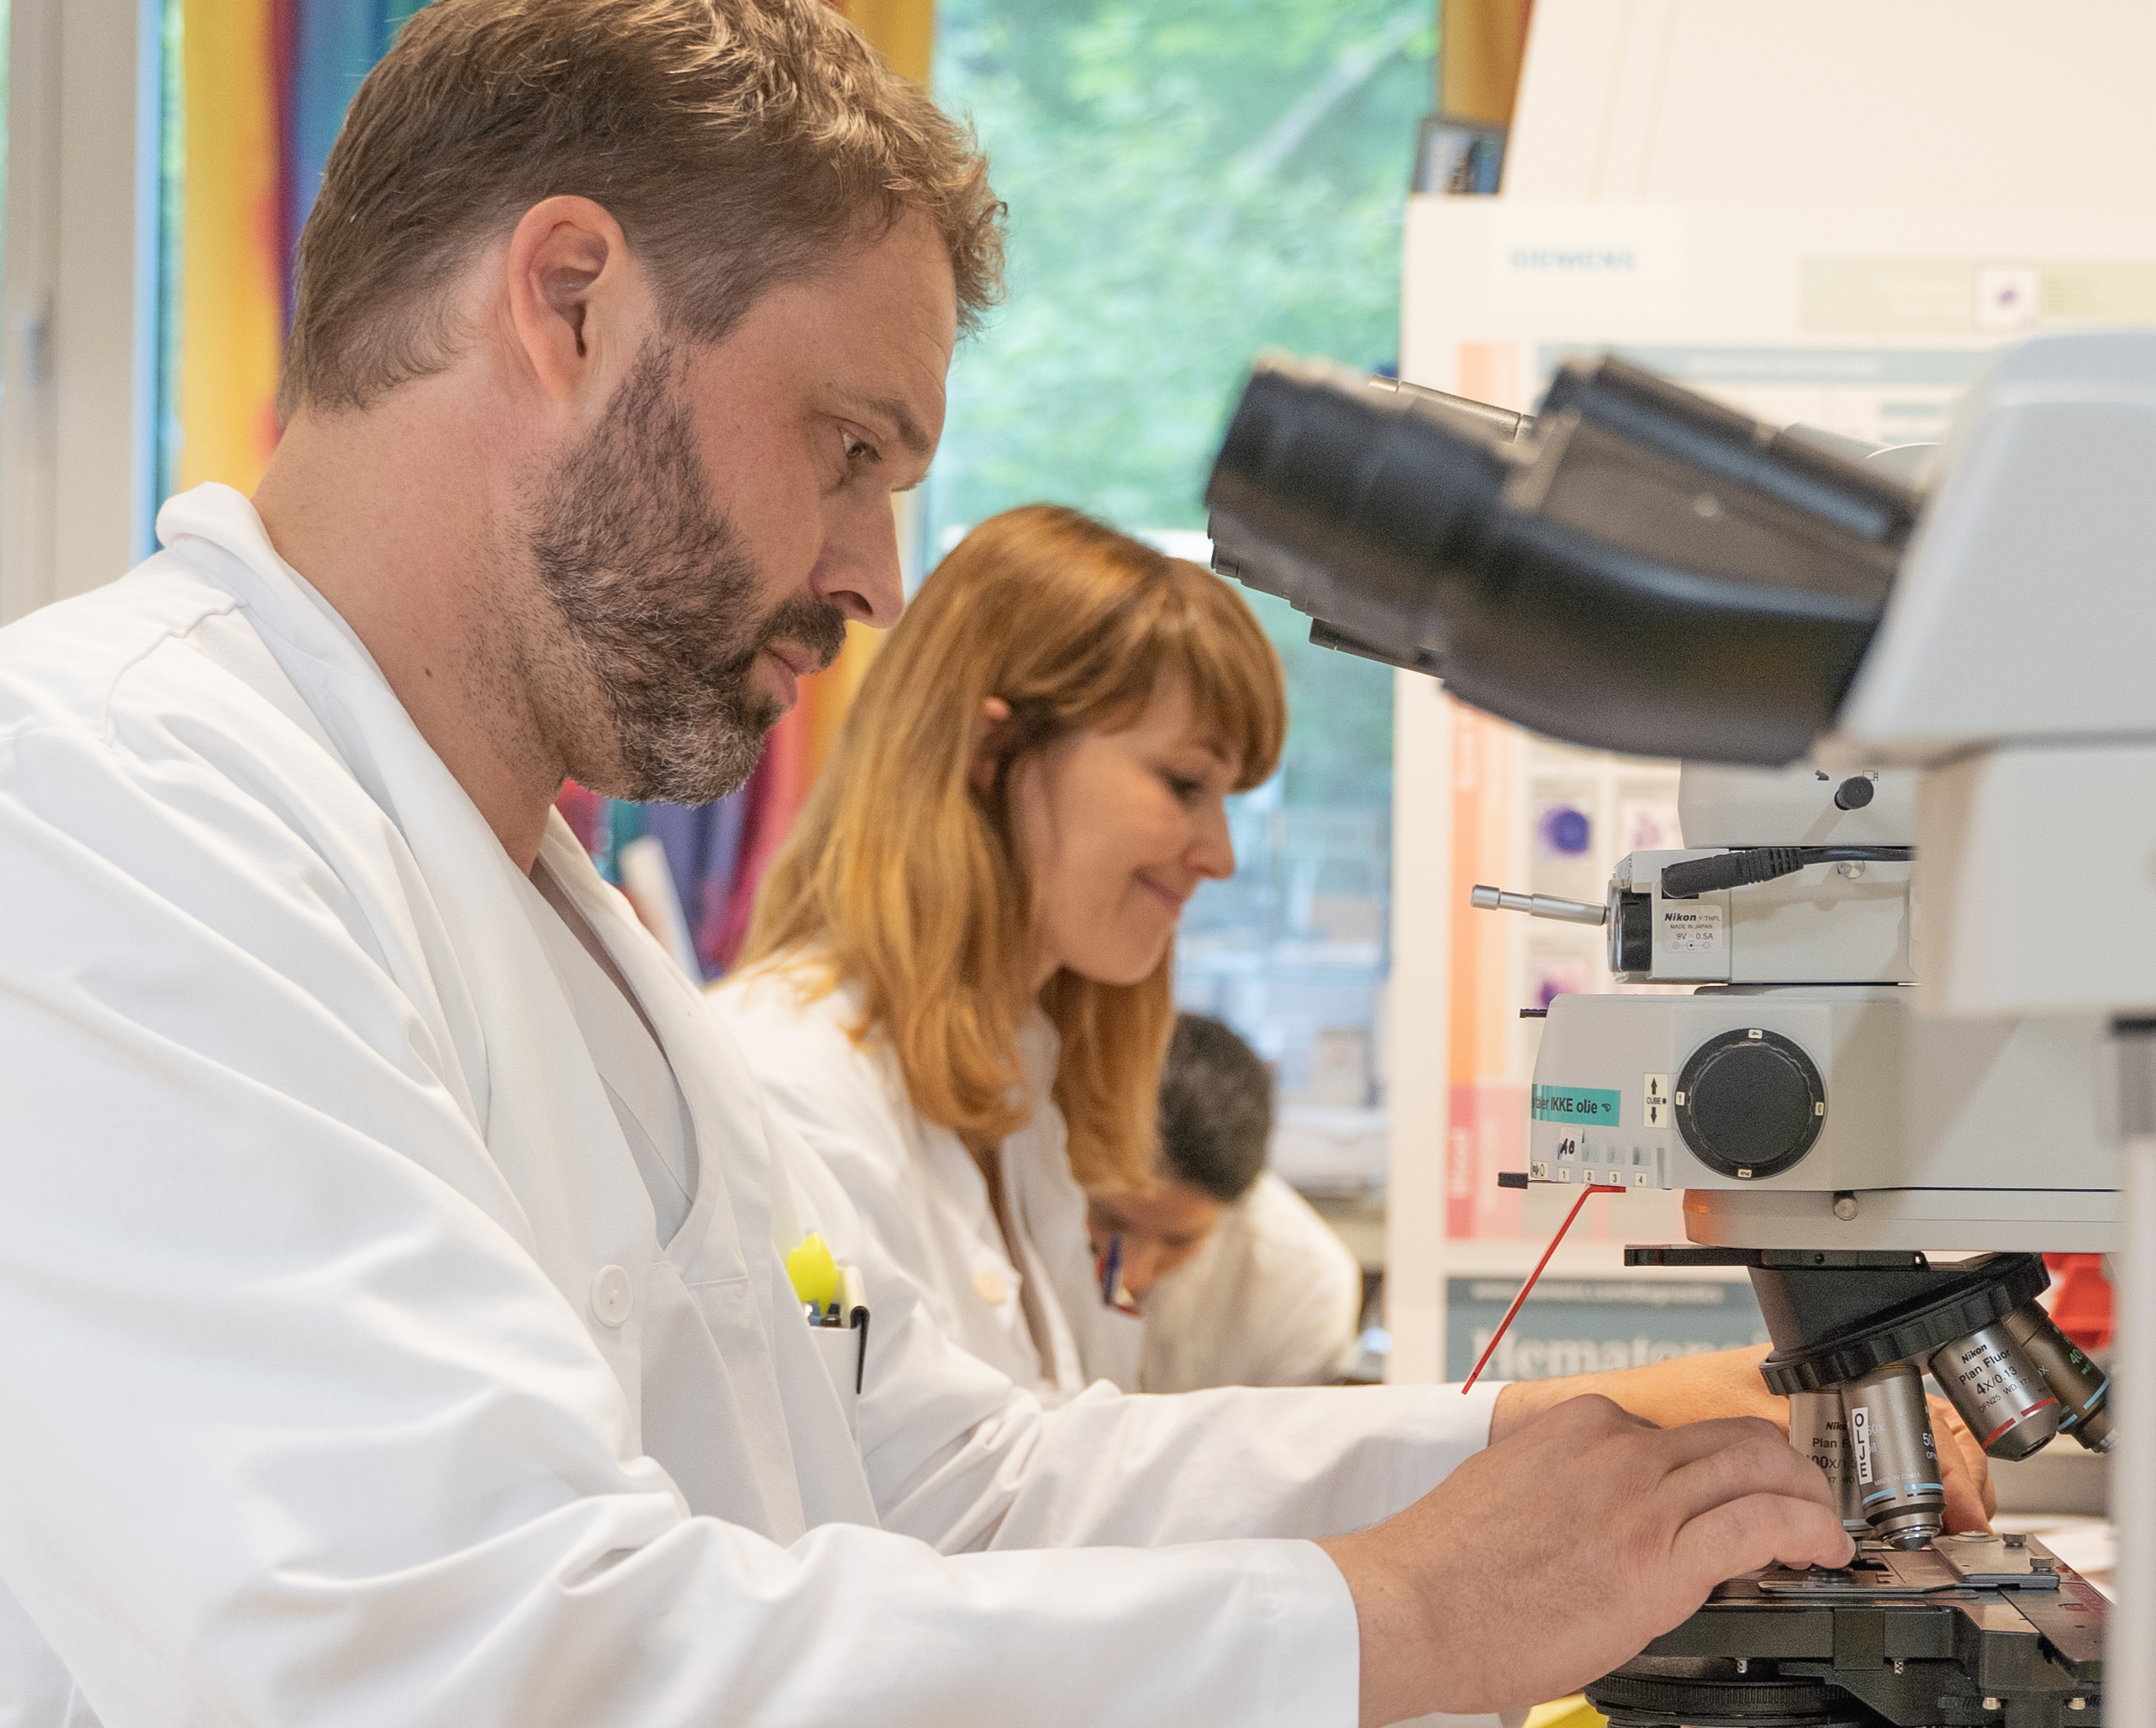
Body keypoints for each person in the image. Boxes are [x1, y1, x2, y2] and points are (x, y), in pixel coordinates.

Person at [0, 4, 1987, 1723]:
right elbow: (458, 1654)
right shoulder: (110, 802)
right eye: (848, 446)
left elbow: (953, 1481)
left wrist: (1549, 1453)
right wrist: (1399, 1610)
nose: (875, 575)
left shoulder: (557, 917)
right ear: (569, 299)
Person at [710, 503, 1280, 1405]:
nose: (1218, 854)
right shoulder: (779, 1085)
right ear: (991, 746)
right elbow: (903, 1478)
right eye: (1184, 783)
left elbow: (1074, 1460)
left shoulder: (1028, 1096)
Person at [1093, 1013, 1366, 1392]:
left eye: (1178, 1241)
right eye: (1111, 1222)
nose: (1133, 1271)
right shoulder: (1028, 1200)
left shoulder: (1305, 1283)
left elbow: (1286, 1447)